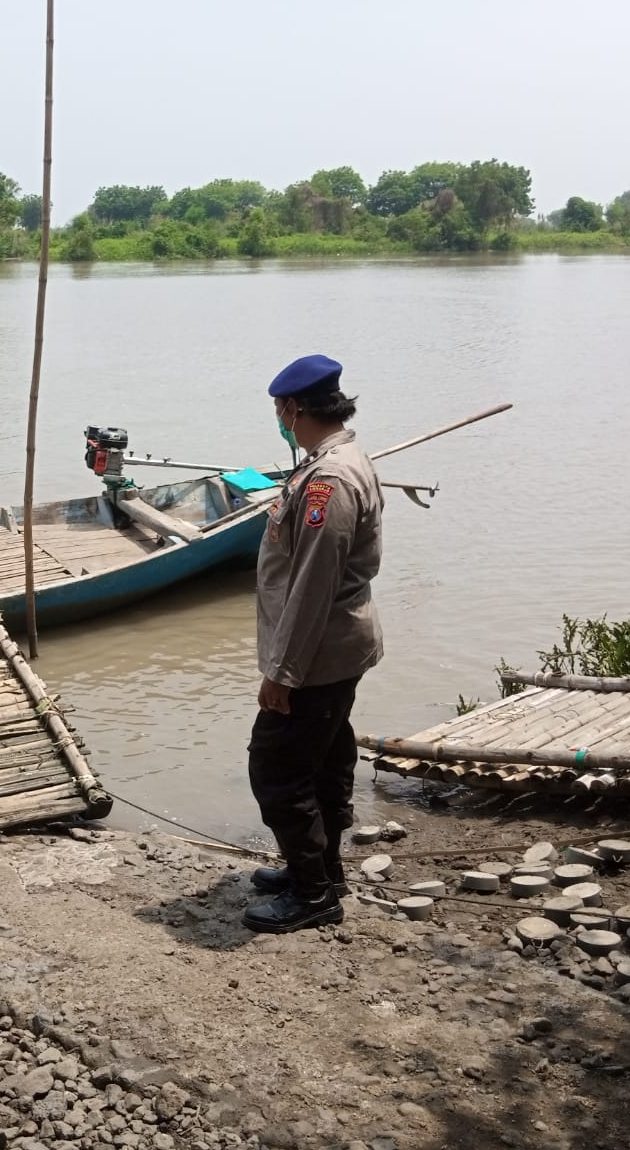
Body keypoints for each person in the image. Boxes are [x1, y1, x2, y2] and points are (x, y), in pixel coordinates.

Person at [241, 353, 385, 934]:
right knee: (324, 759)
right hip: (336, 649)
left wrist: (282, 672)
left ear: (294, 408)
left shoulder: (328, 479)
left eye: (280, 409)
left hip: (317, 656)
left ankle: (314, 893)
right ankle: (322, 865)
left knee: (275, 770)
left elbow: (311, 586)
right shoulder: (333, 461)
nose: (279, 418)